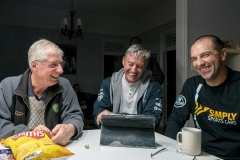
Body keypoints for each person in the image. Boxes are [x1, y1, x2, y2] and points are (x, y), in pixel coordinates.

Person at [165, 35, 240, 160]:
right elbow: (176, 118)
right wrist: (168, 149)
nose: (199, 63)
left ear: (222, 54)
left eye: (205, 55)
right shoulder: (192, 85)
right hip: (200, 154)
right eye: (194, 58)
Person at [0, 39, 84, 145]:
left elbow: (75, 115)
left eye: (61, 64)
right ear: (34, 65)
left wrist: (70, 128)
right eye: (53, 64)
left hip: (53, 151)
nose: (61, 70)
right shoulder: (8, 86)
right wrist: (29, 134)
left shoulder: (64, 85)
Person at [93, 44, 163, 130]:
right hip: (112, 133)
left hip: (140, 136)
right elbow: (98, 113)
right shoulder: (108, 83)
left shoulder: (154, 88)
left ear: (145, 66)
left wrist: (113, 117)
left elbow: (153, 120)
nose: (133, 70)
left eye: (139, 66)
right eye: (130, 64)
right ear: (123, 61)